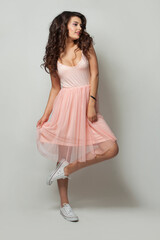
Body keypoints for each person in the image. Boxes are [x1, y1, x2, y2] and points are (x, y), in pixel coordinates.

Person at [36, 11, 119, 222]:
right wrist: (46, 114)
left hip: (86, 104)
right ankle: (65, 205)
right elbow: (55, 88)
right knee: (62, 153)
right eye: (75, 24)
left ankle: (67, 169)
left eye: (81, 24)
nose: (79, 28)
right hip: (66, 106)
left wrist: (91, 103)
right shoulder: (55, 54)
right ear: (63, 26)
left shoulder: (86, 45)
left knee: (111, 147)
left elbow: (95, 74)